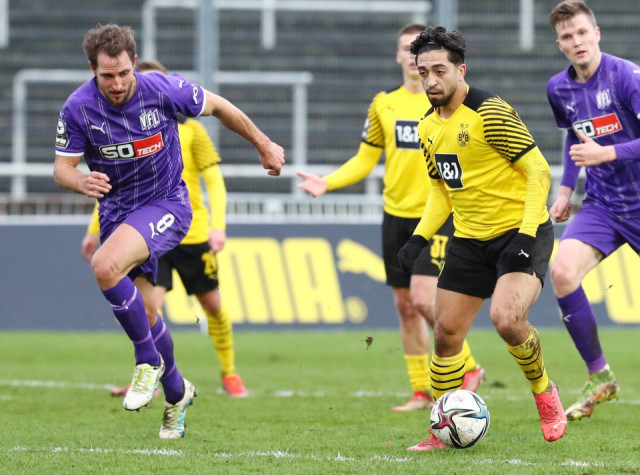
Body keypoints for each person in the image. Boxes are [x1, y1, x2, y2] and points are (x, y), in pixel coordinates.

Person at [54, 24, 283, 438]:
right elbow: (61, 169)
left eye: (124, 73)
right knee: (146, 312)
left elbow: (220, 106)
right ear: (92, 69)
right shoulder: (78, 108)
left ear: (134, 62)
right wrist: (80, 182)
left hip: (167, 205)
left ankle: (147, 361)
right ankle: (177, 393)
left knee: (105, 267)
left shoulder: (162, 89)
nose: (117, 83)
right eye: (107, 76)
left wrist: (263, 144)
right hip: (118, 215)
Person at [296, 24, 484, 412]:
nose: (415, 61)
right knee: (405, 305)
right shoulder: (384, 104)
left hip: (438, 214)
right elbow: (366, 159)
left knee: (423, 298)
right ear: (402, 57)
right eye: (407, 51)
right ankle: (421, 390)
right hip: (395, 215)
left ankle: (468, 367)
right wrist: (328, 182)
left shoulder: (449, 101)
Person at [397, 25, 566, 450]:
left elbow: (538, 170)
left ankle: (545, 393)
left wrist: (525, 235)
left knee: (506, 320)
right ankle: (441, 429)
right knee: (446, 334)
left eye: (439, 71)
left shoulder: (490, 112)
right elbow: (442, 189)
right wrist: (419, 238)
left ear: (461, 70)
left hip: (521, 232)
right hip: (470, 239)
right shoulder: (426, 127)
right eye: (423, 72)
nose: (431, 81)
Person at [81, 60, 249, 399]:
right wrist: (93, 229)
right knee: (146, 307)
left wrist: (218, 226)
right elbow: (113, 189)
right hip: (146, 235)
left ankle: (230, 373)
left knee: (212, 304)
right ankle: (153, 374)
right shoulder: (124, 131)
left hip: (191, 232)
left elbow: (214, 180)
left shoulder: (192, 130)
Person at [547, 0, 636, 420]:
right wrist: (566, 189)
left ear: (596, 33)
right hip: (603, 205)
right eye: (567, 36)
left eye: (582, 32)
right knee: (563, 273)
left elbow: (599, 148)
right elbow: (574, 136)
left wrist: (608, 154)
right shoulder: (558, 89)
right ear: (560, 44)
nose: (577, 41)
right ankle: (600, 376)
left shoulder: (626, 76)